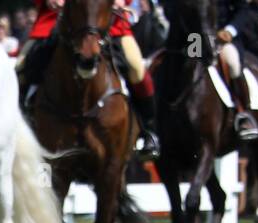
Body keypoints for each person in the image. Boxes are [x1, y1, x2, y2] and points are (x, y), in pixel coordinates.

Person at [19, 0, 161, 159]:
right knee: (20, 68)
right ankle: (20, 129)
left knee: (136, 68)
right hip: (57, 21)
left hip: (106, 19)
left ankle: (148, 131)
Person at [218, 0, 258, 139]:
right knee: (186, 59)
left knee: (232, 63)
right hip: (197, 37)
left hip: (224, 38)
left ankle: (243, 112)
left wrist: (230, 30)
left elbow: (243, 10)